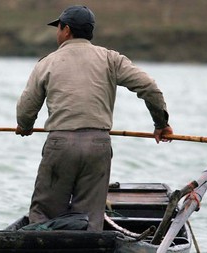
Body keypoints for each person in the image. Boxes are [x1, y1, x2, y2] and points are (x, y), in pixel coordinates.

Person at [15, 5, 173, 231]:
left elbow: (26, 107)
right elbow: (149, 87)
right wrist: (161, 124)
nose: (57, 33)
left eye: (58, 27)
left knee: (44, 215)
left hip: (60, 145)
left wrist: (25, 126)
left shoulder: (47, 62)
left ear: (66, 30)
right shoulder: (111, 59)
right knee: (89, 221)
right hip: (98, 145)